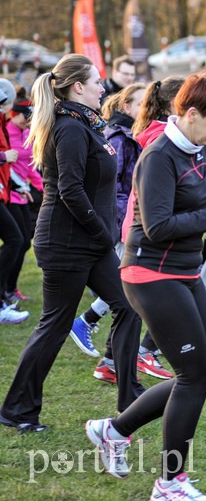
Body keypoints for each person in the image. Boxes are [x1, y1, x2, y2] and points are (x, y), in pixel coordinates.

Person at [85, 72, 206, 499]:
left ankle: (114, 430)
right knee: (194, 376)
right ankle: (170, 483)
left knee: (197, 374)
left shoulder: (195, 148)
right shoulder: (160, 154)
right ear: (191, 114)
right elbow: (158, 226)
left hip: (181, 272)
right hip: (150, 274)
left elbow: (189, 199)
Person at [0, 54, 143, 434]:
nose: (103, 87)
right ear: (78, 87)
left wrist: (101, 235)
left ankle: (130, 397)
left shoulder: (88, 124)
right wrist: (103, 233)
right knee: (55, 325)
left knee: (128, 307)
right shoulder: (71, 128)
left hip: (88, 241)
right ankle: (17, 409)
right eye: (97, 81)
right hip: (67, 242)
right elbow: (70, 190)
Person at [69, 77, 185, 378]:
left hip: (136, 223)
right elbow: (115, 186)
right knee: (133, 293)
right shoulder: (133, 137)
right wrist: (124, 218)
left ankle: (110, 358)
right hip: (131, 224)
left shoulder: (140, 134)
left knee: (128, 294)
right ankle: (131, 350)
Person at [4, 91, 40, 306]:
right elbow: (8, 164)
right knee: (17, 241)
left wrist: (41, 185)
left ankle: (10, 287)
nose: (29, 123)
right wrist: (18, 185)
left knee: (23, 242)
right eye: (27, 118)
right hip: (11, 193)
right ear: (15, 114)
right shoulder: (6, 131)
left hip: (24, 193)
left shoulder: (25, 133)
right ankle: (6, 289)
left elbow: (29, 165)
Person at [0, 78, 31, 323]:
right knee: (16, 240)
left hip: (7, 191)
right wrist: (3, 156)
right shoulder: (6, 123)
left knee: (18, 240)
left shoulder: (4, 121)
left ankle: (4, 296)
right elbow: (10, 157)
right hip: (5, 192)